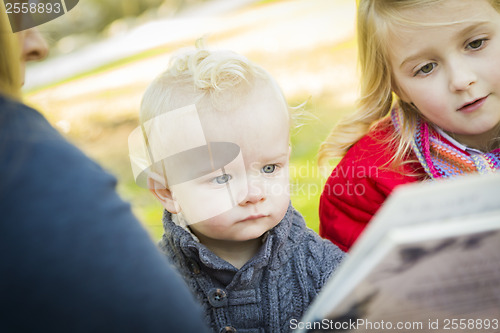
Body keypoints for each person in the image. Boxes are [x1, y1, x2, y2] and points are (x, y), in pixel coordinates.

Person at [0, 8, 209, 333]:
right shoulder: (22, 160)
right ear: (166, 191)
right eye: (12, 14)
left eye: (270, 167)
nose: (38, 44)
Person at [131, 44, 345, 332]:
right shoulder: (151, 286)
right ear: (168, 192)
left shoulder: (324, 270)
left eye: (270, 168)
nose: (254, 194)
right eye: (222, 178)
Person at [317, 0, 500, 252]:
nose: (461, 79)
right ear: (396, 86)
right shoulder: (363, 186)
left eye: (476, 43)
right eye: (425, 68)